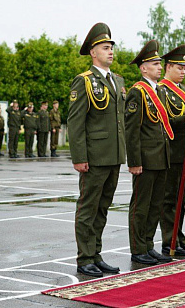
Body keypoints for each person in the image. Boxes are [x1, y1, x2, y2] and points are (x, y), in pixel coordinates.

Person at [68, 22, 126, 278]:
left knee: (103, 208)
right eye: (105, 48)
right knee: (88, 208)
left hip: (113, 156)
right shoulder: (84, 82)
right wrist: (79, 157)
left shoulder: (118, 80)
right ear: (93, 52)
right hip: (94, 157)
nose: (110, 51)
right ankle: (84, 258)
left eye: (112, 47)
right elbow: (76, 121)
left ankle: (96, 254)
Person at [125, 39, 172, 266]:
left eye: (159, 63)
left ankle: (148, 245)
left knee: (155, 206)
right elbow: (132, 130)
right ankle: (137, 249)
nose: (159, 66)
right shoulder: (137, 93)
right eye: (154, 63)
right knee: (141, 206)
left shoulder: (159, 91)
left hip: (161, 158)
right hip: (145, 159)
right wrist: (134, 161)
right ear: (143, 68)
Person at [157, 45, 185, 256]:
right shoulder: (161, 90)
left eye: (184, 68)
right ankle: (168, 239)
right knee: (170, 199)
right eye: (179, 67)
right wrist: (183, 119)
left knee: (181, 200)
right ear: (168, 67)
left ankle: (179, 237)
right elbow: (161, 122)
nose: (183, 71)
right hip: (171, 153)